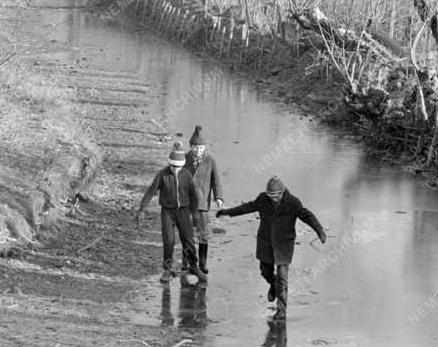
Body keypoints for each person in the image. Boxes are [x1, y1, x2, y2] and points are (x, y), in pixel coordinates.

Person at [216, 175, 325, 320]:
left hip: (284, 244)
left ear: (281, 193)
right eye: (270, 195)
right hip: (266, 242)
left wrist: (319, 230)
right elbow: (247, 207)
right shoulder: (263, 199)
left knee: (282, 278)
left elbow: (307, 216)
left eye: (275, 196)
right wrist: (227, 212)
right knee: (265, 271)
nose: (272, 198)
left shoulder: (292, 202)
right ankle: (272, 283)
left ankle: (281, 311)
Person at [136, 142, 208, 284]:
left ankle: (193, 266)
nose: (176, 169)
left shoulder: (186, 175)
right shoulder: (162, 175)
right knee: (168, 240)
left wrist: (195, 214)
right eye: (173, 166)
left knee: (188, 240)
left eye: (179, 167)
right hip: (167, 212)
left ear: (182, 165)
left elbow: (193, 195)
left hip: (183, 211)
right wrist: (142, 210)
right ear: (169, 164)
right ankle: (167, 270)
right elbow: (151, 192)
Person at [184, 125, 224, 275]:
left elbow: (216, 180)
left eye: (201, 147)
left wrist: (218, 197)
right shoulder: (184, 159)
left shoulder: (210, 160)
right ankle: (186, 262)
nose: (198, 150)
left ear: (204, 147)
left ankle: (202, 263)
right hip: (186, 203)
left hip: (202, 204)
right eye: (195, 147)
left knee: (203, 234)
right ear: (191, 146)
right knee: (186, 234)